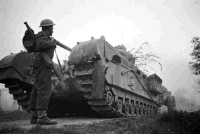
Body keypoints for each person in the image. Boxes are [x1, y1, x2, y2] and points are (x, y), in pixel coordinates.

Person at [29, 19, 58, 125]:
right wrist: (52, 42)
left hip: (40, 65)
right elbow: (41, 45)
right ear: (48, 28)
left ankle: (34, 116)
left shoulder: (42, 36)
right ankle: (42, 117)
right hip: (43, 66)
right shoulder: (42, 35)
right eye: (52, 28)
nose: (53, 30)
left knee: (37, 89)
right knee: (45, 89)